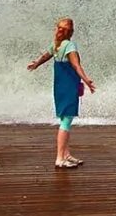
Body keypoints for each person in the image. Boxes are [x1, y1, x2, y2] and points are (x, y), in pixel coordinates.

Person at [27, 17, 96, 169]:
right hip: (69, 86)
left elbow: (46, 55)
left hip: (59, 86)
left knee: (65, 119)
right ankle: (60, 158)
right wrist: (87, 81)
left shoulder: (57, 45)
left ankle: (66, 154)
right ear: (71, 32)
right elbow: (76, 66)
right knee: (66, 122)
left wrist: (36, 64)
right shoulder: (70, 46)